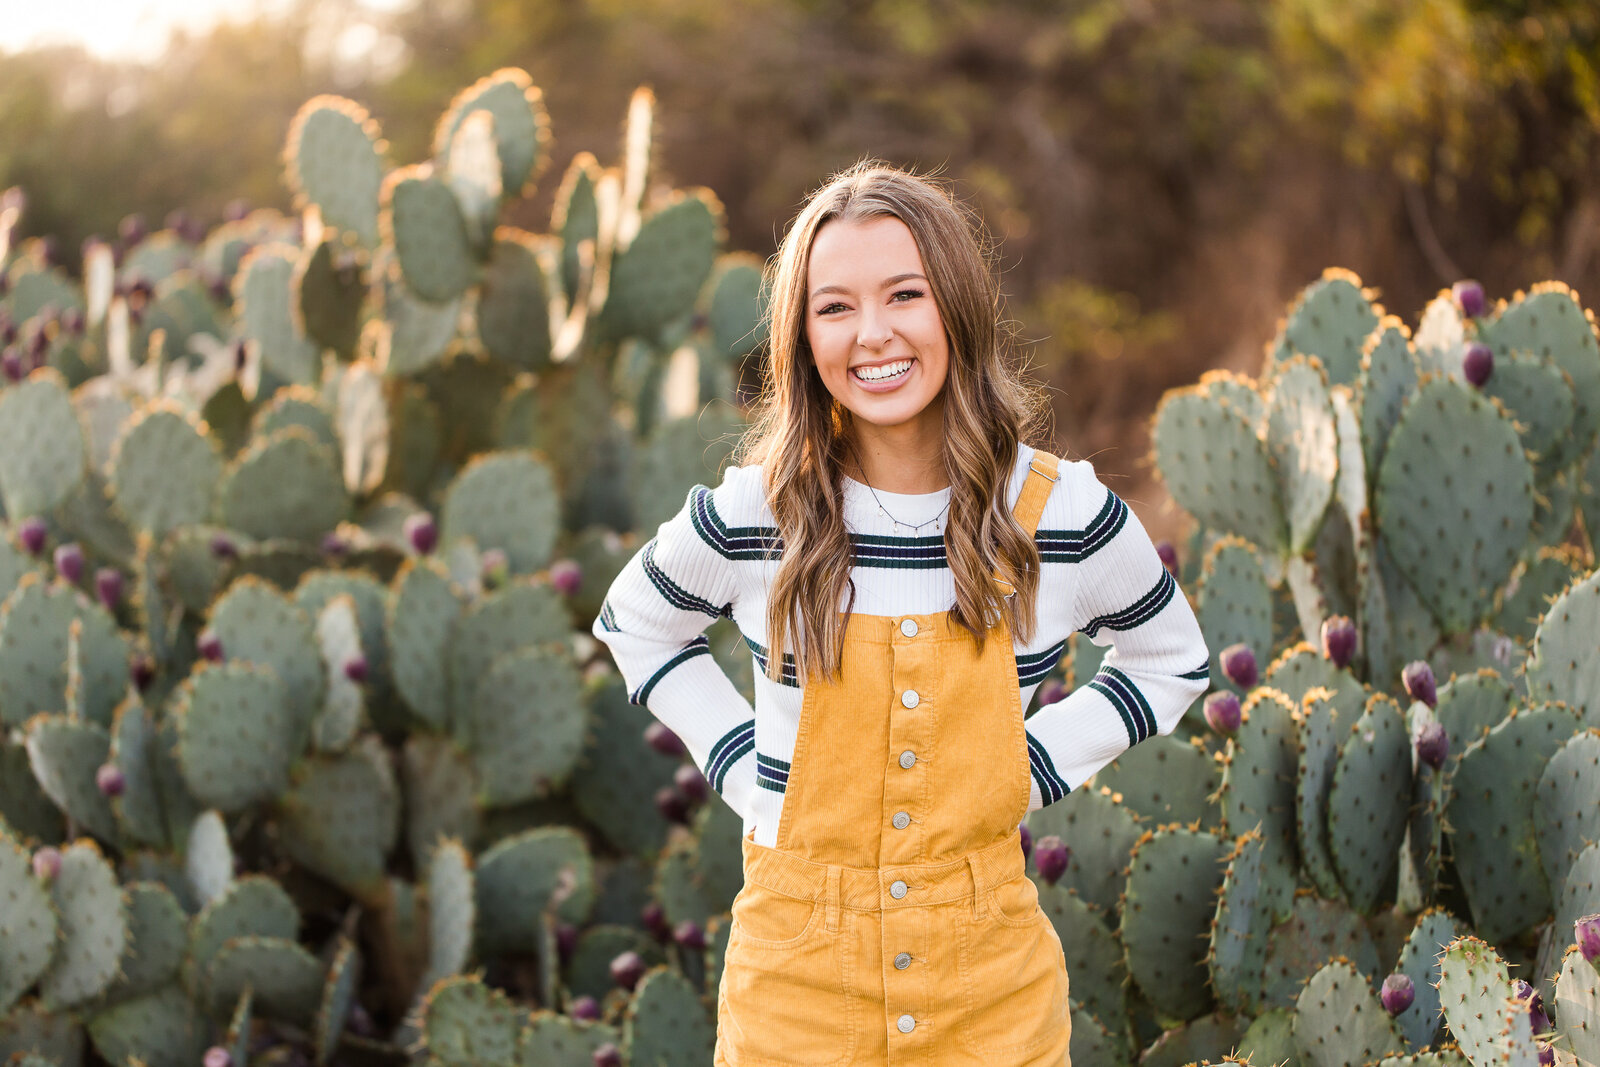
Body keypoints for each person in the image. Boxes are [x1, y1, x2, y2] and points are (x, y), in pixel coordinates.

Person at [591, 159, 1210, 1066]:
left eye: (904, 294)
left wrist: (1026, 766)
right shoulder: (762, 507)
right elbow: (636, 618)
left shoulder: (1056, 512)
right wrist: (743, 769)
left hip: (989, 990)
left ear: (955, 304)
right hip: (796, 988)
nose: (871, 333)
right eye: (833, 307)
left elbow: (1171, 657)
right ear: (801, 336)